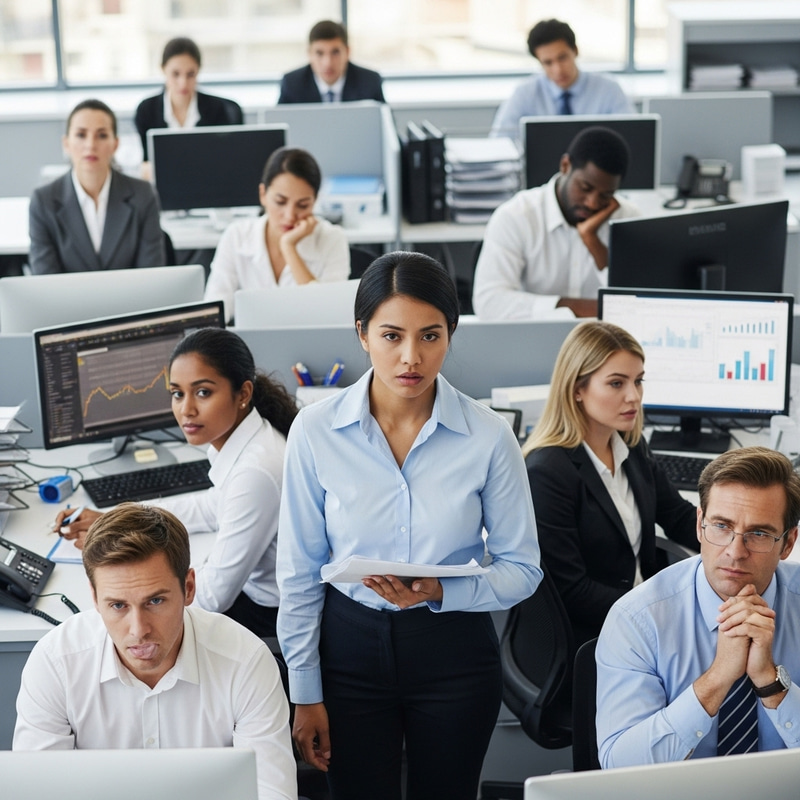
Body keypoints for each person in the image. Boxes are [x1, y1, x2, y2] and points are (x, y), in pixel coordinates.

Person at [276, 251, 542, 800]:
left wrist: (443, 589)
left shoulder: (488, 436)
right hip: (348, 648)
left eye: (430, 336)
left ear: (451, 334)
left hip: (453, 650)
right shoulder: (315, 431)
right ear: (362, 333)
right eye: (392, 335)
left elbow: (523, 570)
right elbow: (299, 572)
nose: (411, 357)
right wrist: (304, 690)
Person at [14, 503, 296, 800]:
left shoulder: (246, 662)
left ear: (188, 588)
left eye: (155, 601)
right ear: (95, 598)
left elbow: (271, 791)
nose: (138, 630)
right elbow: (38, 791)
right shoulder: (55, 664)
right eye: (118, 605)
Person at [55, 328, 297, 638]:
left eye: (203, 392)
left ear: (243, 394)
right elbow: (211, 507)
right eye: (177, 393)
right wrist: (116, 518)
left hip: (262, 612)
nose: (186, 409)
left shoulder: (256, 471)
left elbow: (211, 597)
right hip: (248, 594)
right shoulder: (247, 441)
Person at [596, 446, 800, 767]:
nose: (735, 551)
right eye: (721, 526)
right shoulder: (637, 619)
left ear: (788, 543)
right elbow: (619, 766)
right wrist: (717, 679)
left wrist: (770, 683)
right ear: (699, 525)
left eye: (758, 533)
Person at [523, 321, 698, 648]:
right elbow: (571, 590)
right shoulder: (547, 472)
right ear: (577, 389)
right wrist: (661, 613)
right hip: (594, 636)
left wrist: (735, 538)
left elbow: (677, 516)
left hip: (641, 617)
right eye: (616, 383)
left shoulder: (631, 447)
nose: (633, 396)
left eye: (638, 381)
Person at [472, 125, 639, 321]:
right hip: (533, 339)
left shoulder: (627, 217)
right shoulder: (516, 216)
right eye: (585, 188)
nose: (592, 202)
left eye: (606, 195)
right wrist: (581, 308)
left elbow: (637, 303)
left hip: (605, 347)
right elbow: (489, 302)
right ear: (565, 166)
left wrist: (593, 242)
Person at [203, 146, 350, 321]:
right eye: (280, 202)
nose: (289, 215)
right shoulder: (236, 236)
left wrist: (289, 247)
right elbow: (215, 312)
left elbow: (329, 315)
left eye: (302, 205)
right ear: (263, 194)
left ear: (315, 201)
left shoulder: (332, 239)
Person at [29, 99, 165, 274]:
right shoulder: (43, 201)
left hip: (131, 301)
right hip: (67, 302)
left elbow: (151, 275)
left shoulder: (143, 195)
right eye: (81, 135)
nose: (91, 145)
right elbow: (45, 281)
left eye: (101, 135)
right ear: (66, 143)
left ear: (115, 144)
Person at [490, 19, 632, 139]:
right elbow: (499, 142)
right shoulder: (524, 93)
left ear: (575, 50)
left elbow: (632, 136)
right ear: (539, 62)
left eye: (562, 58)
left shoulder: (609, 90)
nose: (558, 70)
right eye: (548, 63)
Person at [135, 37, 243, 166]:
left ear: (198, 70)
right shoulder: (147, 111)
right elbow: (148, 162)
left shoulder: (220, 110)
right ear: (163, 69)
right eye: (175, 74)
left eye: (190, 74)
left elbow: (228, 159)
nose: (183, 83)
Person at [278, 20, 384, 104]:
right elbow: (279, 128)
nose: (327, 63)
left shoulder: (370, 82)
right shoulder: (292, 84)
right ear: (309, 54)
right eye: (319, 53)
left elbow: (387, 128)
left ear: (347, 52)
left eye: (335, 52)